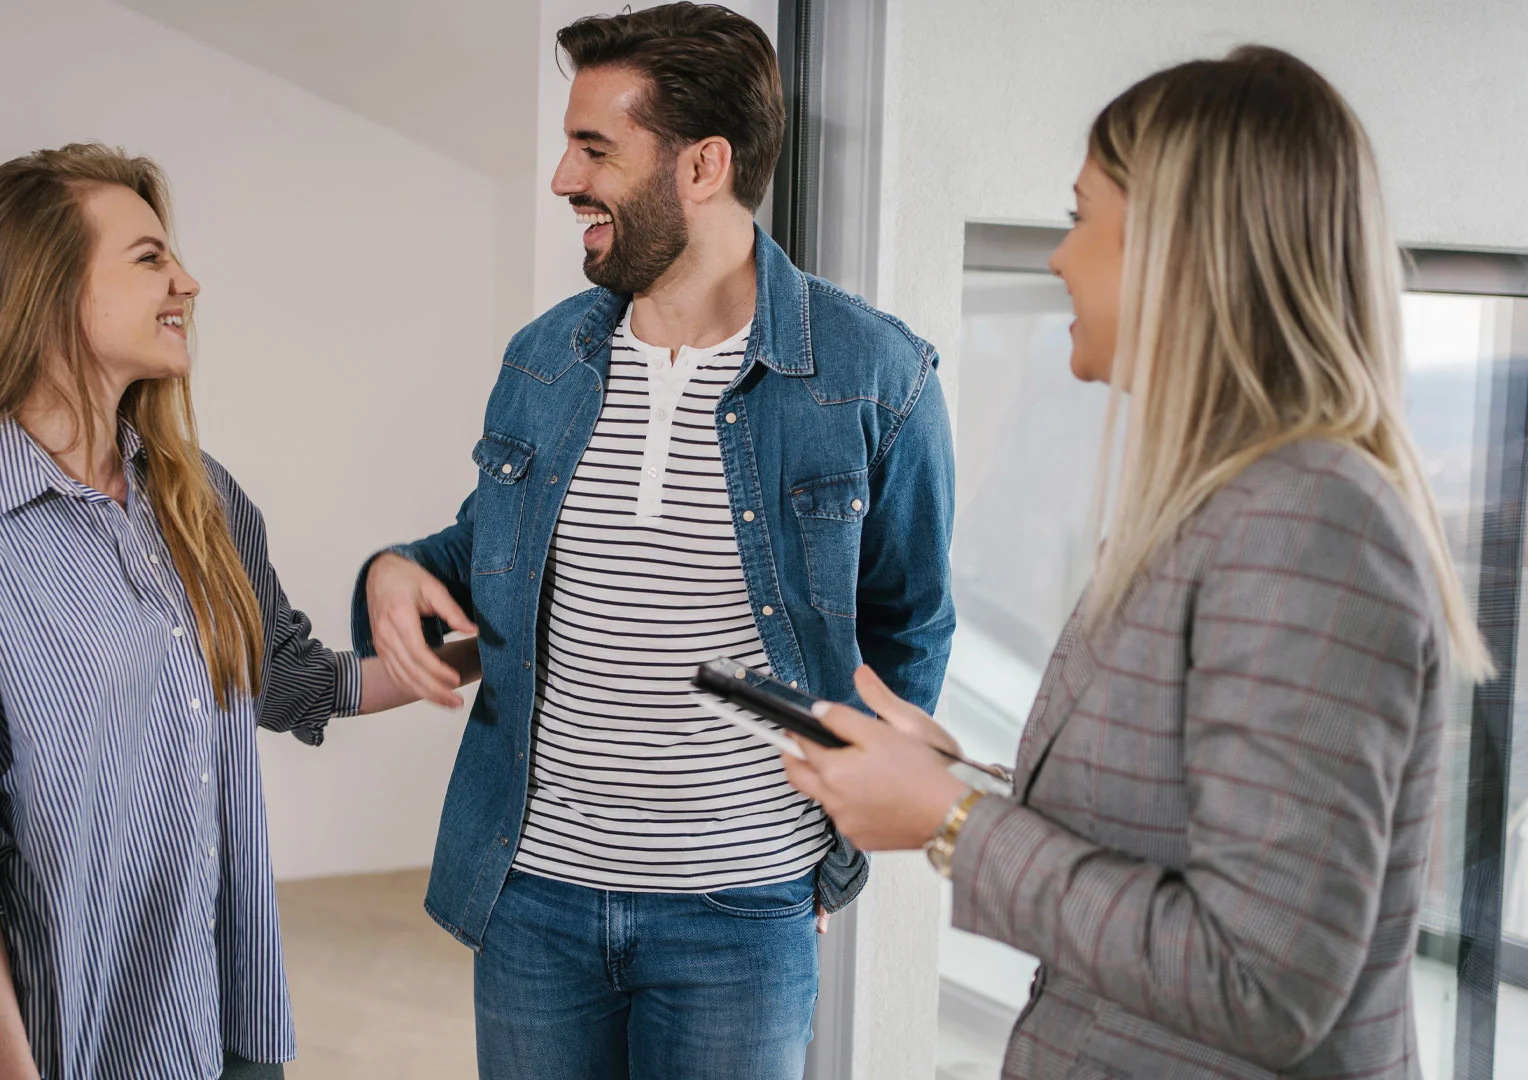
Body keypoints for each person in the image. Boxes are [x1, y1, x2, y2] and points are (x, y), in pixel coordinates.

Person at [783, 46, 1494, 1079]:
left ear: (1179, 246)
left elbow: (1263, 980)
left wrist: (954, 823)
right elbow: (1179, 832)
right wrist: (951, 775)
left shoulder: (1310, 523)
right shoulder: (1223, 503)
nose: (1059, 258)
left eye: (1081, 217)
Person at [352, 5, 955, 1077]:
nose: (561, 180)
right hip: (533, 899)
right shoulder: (547, 358)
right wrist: (394, 570)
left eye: (595, 149)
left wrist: (831, 853)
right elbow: (489, 549)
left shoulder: (874, 377)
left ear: (703, 166)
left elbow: (910, 629)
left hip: (742, 914)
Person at [0, 144, 475, 1080]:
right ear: (45, 287)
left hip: (214, 1021)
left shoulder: (199, 496)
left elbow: (286, 680)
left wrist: (490, 650)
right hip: (48, 1048)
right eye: (149, 257)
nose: (189, 281)